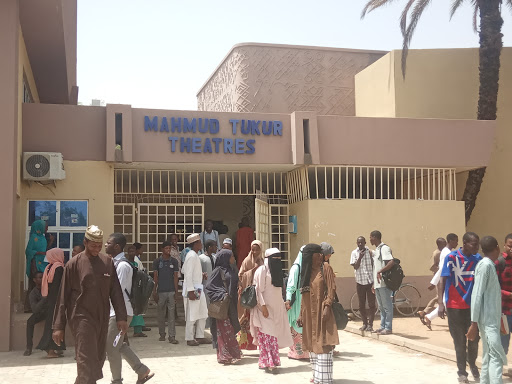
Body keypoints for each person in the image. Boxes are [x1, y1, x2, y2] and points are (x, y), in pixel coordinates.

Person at [52, 225, 128, 384]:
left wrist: (121, 317)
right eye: (93, 245)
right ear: (85, 242)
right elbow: (62, 297)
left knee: (97, 359)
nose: (97, 248)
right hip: (81, 318)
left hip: (102, 318)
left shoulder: (107, 262)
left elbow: (116, 292)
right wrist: (58, 326)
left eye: (99, 245)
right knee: (86, 360)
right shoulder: (73, 264)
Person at [105, 234, 154, 384]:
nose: (105, 245)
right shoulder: (115, 263)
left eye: (108, 243)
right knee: (118, 345)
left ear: (117, 246)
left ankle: (117, 380)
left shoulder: (123, 266)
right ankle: (141, 370)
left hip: (120, 313)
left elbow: (116, 292)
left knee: (111, 348)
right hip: (115, 312)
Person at [438, 232, 482, 384]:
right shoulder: (452, 258)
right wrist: (440, 303)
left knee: (474, 340)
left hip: (473, 308)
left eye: (478, 244)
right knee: (459, 342)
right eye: (473, 244)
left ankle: (473, 364)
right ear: (465, 243)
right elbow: (442, 279)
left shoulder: (479, 259)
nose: (477, 247)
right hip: (455, 306)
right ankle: (462, 372)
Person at [467, 236, 507, 384]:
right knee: (496, 356)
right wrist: (473, 323)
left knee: (488, 356)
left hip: (491, 320)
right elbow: (477, 295)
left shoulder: (488, 265)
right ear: (497, 247)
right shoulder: (486, 265)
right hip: (487, 321)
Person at [299, 243, 339, 384]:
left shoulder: (325, 268)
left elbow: (331, 288)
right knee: (312, 342)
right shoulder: (306, 272)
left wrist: (327, 306)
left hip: (323, 312)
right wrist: (300, 314)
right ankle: (316, 376)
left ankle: (324, 379)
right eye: (317, 254)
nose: (320, 256)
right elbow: (304, 295)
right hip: (309, 313)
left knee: (323, 342)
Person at [250, 248, 293, 374]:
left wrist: (283, 303)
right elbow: (258, 290)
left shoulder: (277, 272)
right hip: (264, 309)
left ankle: (271, 361)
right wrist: (263, 307)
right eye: (275, 258)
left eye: (279, 258)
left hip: (277, 309)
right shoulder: (262, 271)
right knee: (267, 335)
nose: (277, 261)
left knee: (273, 336)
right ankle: (268, 362)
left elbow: (278, 291)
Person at [204, 249, 242, 364]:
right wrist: (222, 294)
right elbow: (210, 286)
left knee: (230, 329)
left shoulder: (231, 269)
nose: (233, 259)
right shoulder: (217, 271)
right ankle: (224, 355)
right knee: (225, 330)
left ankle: (232, 353)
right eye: (231, 257)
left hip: (231, 304)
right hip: (222, 305)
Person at [419, 233, 459, 330]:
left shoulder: (447, 252)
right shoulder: (446, 253)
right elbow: (441, 269)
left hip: (447, 280)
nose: (457, 243)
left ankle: (428, 317)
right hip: (445, 281)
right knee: (445, 302)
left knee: (446, 302)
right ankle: (429, 316)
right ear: (450, 241)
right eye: (455, 241)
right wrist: (434, 282)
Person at [36, 247, 66, 358]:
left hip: (49, 300)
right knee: (55, 325)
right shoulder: (58, 268)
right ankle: (50, 350)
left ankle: (57, 348)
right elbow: (59, 286)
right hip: (56, 301)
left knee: (52, 324)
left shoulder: (49, 267)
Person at [182, 233, 210, 346]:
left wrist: (200, 274)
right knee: (192, 314)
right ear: (196, 244)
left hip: (198, 287)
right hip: (193, 289)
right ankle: (189, 338)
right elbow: (187, 274)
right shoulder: (191, 256)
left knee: (203, 313)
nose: (201, 244)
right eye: (199, 242)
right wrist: (190, 291)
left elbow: (185, 270)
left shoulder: (195, 255)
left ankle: (200, 336)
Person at [237, 239, 264, 350]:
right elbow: (241, 275)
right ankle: (243, 343)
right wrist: (252, 271)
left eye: (257, 250)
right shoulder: (247, 261)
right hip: (247, 294)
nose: (254, 252)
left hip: (258, 295)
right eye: (253, 250)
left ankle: (255, 343)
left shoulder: (262, 261)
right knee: (245, 319)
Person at [417, 237, 447, 329]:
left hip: (443, 277)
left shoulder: (444, 252)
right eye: (443, 243)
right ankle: (426, 313)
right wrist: (441, 270)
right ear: (439, 244)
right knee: (440, 297)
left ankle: (425, 313)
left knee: (440, 297)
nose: (445, 245)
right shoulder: (436, 253)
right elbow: (432, 266)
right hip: (439, 277)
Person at [153, 241, 179, 344]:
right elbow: (155, 277)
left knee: (171, 315)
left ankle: (172, 336)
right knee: (161, 314)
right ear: (162, 249)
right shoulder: (157, 262)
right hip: (161, 291)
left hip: (171, 291)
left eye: (170, 249)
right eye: (167, 248)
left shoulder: (174, 262)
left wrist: (176, 292)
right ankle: (162, 334)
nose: (169, 251)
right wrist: (154, 291)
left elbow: (175, 277)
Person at [285, 246, 309, 360]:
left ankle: (303, 352)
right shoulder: (296, 268)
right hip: (296, 303)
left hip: (305, 302)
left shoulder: (308, 268)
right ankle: (298, 352)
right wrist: (288, 300)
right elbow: (290, 286)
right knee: (296, 324)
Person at [369, 230, 395, 335]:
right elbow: (376, 268)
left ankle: (388, 328)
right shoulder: (377, 250)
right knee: (381, 307)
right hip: (378, 284)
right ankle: (382, 326)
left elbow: (391, 262)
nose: (370, 239)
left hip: (384, 283)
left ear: (375, 237)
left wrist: (381, 271)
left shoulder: (384, 248)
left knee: (387, 306)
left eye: (370, 237)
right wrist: (373, 284)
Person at [350, 236, 376, 332]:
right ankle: (364, 323)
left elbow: (376, 264)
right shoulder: (354, 253)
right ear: (356, 243)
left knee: (371, 304)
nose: (360, 244)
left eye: (362, 242)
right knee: (361, 305)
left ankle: (370, 324)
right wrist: (360, 257)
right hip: (360, 282)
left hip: (370, 282)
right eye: (358, 242)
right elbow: (355, 267)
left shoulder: (370, 252)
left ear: (365, 242)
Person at [125, 245, 149, 338]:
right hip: (128, 290)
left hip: (136, 289)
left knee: (137, 309)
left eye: (133, 251)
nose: (131, 253)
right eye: (130, 251)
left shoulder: (136, 263)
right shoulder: (125, 263)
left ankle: (138, 330)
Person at [25, 220, 48, 311]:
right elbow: (28, 251)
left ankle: (40, 307)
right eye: (45, 227)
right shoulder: (33, 238)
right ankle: (28, 307)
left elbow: (45, 250)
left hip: (42, 263)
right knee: (33, 284)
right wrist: (39, 252)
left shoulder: (43, 238)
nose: (46, 229)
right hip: (34, 264)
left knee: (42, 285)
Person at [24, 271, 47, 356]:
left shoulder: (48, 288)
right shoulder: (33, 293)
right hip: (39, 313)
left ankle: (56, 347)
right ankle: (29, 347)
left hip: (49, 311)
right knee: (29, 322)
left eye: (43, 277)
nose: (42, 279)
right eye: (40, 278)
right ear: (34, 280)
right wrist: (44, 299)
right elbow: (35, 309)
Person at [496, 233, 512, 354]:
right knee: (503, 342)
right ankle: (499, 369)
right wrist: (509, 295)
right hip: (503, 311)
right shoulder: (499, 263)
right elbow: (493, 288)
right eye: (510, 245)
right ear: (504, 245)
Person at [200, 239, 217, 329]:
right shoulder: (201, 258)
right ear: (210, 247)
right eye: (214, 246)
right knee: (205, 306)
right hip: (205, 286)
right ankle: (206, 326)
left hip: (214, 287)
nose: (216, 248)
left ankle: (213, 326)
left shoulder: (214, 257)